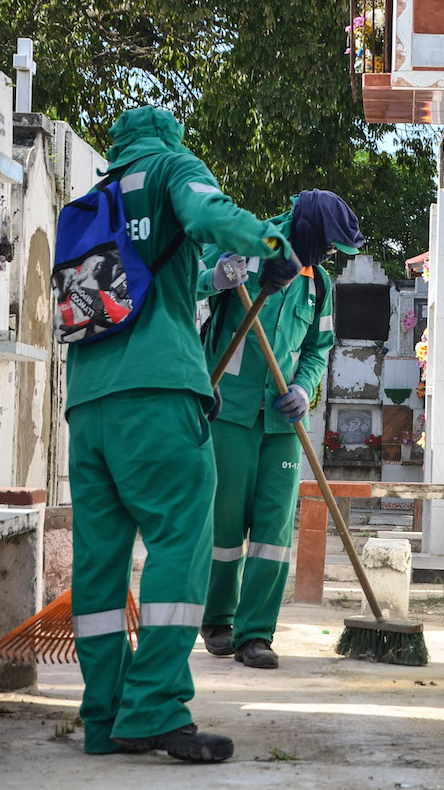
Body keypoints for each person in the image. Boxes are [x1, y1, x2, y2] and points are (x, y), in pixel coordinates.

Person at [64, 106, 301, 763]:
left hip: (86, 406)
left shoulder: (95, 197)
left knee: (99, 564)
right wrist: (271, 245)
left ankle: (103, 716)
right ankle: (155, 707)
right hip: (157, 395)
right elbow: (209, 214)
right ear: (168, 139)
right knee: (178, 541)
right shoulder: (171, 168)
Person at [197, 189, 363, 668]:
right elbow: (186, 285)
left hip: (284, 420)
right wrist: (218, 275)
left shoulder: (318, 284)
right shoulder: (242, 245)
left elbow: (318, 346)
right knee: (225, 522)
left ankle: (255, 634)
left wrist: (305, 388)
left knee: (273, 529)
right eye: (329, 244)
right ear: (307, 229)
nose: (331, 255)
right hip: (228, 409)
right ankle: (218, 620)